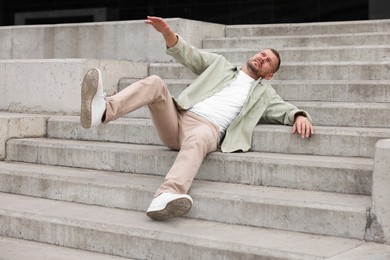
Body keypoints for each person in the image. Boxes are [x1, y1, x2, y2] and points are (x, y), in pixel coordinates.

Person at [80, 16, 314, 221]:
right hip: (179, 118)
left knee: (199, 136)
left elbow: (285, 110)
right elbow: (190, 55)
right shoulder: (220, 65)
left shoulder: (265, 93)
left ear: (269, 74)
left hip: (208, 130)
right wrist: (167, 33)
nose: (262, 59)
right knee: (155, 83)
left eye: (267, 61)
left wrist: (299, 116)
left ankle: (166, 195)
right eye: (262, 54)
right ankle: (102, 111)